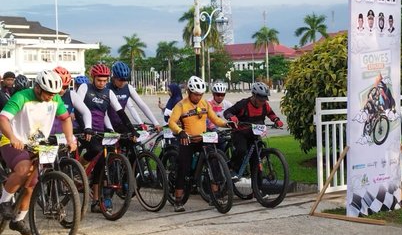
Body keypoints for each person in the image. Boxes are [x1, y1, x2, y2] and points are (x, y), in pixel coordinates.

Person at [0, 70, 77, 235]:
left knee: (32, 184)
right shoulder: (21, 96)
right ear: (38, 88)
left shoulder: (55, 99)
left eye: (54, 94)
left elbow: (65, 118)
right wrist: (13, 137)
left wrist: (70, 139)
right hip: (13, 141)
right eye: (48, 93)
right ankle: (4, 201)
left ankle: (18, 219)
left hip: (38, 143)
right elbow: (3, 118)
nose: (52, 96)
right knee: (23, 168)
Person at [76, 63, 139, 213]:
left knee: (102, 162)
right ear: (93, 78)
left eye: (104, 80)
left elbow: (121, 113)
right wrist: (86, 128)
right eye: (99, 80)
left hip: (99, 129)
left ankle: (97, 201)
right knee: (95, 149)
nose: (102, 83)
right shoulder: (85, 88)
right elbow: (77, 109)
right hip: (84, 128)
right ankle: (79, 168)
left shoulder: (108, 93)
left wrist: (132, 130)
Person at [168, 76, 234, 212]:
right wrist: (180, 132)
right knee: (183, 167)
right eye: (196, 94)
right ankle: (178, 200)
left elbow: (215, 119)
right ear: (189, 92)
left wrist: (227, 123)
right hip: (187, 139)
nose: (198, 97)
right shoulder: (181, 105)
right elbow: (172, 122)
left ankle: (216, 195)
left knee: (213, 161)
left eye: (200, 94)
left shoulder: (205, 104)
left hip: (203, 138)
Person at [223, 82, 283, 179]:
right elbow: (227, 112)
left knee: (256, 161)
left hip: (254, 134)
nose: (262, 102)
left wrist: (277, 120)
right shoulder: (243, 104)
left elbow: (271, 114)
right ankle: (232, 168)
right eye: (260, 99)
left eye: (264, 99)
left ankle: (257, 191)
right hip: (240, 133)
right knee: (241, 150)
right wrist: (232, 117)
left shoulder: (265, 105)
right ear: (254, 96)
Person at [106, 61, 162, 132]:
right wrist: (110, 129)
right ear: (113, 77)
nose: (123, 83)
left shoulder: (129, 88)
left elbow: (142, 105)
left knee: (135, 140)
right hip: (106, 124)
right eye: (121, 80)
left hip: (121, 122)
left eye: (126, 80)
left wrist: (156, 123)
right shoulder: (106, 88)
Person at [50, 66, 93, 136]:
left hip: (64, 135)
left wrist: (88, 127)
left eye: (65, 87)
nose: (62, 90)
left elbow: (86, 111)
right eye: (59, 86)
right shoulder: (46, 95)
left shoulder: (71, 94)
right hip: (47, 135)